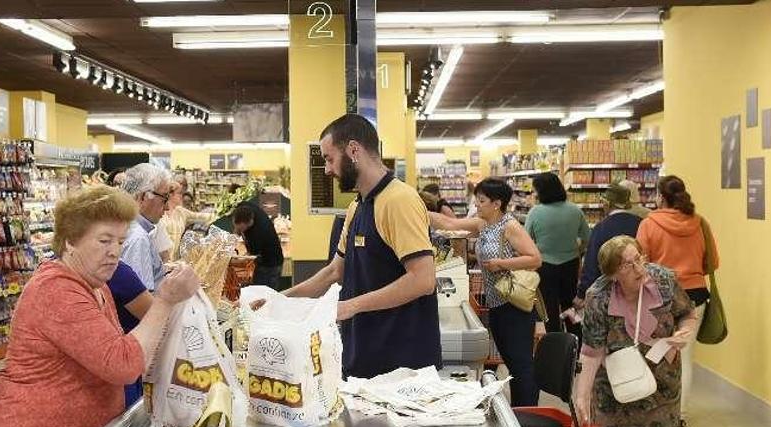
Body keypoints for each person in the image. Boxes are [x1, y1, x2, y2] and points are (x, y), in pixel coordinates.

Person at [0, 185, 199, 427]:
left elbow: (123, 352)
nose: (114, 251)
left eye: (120, 241)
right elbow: (121, 365)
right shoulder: (56, 289)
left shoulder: (95, 285)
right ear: (70, 241)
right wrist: (164, 301)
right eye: (104, 240)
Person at [284, 114, 441, 379]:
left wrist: (349, 306)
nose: (327, 169)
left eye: (329, 158)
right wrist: (282, 299)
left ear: (354, 150)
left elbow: (423, 279)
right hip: (365, 359)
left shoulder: (399, 200)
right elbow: (335, 271)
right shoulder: (357, 207)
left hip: (401, 367)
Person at [574, 235, 699, 427]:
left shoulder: (664, 280)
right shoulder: (598, 296)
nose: (639, 268)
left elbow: (687, 313)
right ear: (612, 273)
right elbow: (592, 351)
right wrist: (582, 395)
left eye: (639, 259)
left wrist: (684, 333)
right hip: (615, 377)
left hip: (662, 373)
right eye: (628, 265)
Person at [429, 178, 543, 406]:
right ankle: (519, 411)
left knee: (520, 363)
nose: (477, 204)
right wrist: (417, 209)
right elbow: (451, 225)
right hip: (496, 303)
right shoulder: (483, 224)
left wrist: (501, 264)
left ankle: (527, 414)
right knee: (510, 360)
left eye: (481, 200)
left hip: (514, 305)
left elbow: (535, 258)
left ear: (497, 204)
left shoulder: (509, 226)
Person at [636, 175, 719, 427]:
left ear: (661, 197)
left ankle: (655, 409)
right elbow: (713, 263)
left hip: (659, 295)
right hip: (694, 295)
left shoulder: (649, 224)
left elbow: (639, 263)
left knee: (656, 351)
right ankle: (680, 416)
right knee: (685, 354)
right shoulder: (700, 223)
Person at [525, 172, 590, 333]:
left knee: (549, 306)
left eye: (535, 190)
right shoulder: (575, 210)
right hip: (570, 263)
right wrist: (577, 251)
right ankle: (575, 340)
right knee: (570, 303)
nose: (534, 194)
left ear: (542, 191)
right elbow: (587, 237)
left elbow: (526, 241)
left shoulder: (535, 212)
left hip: (544, 265)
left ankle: (555, 342)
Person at [575, 183, 643, 306]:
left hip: (609, 293)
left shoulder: (600, 228)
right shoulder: (641, 223)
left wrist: (581, 293)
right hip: (638, 288)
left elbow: (591, 265)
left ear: (607, 204)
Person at [107, 260, 154, 408]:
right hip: (125, 378)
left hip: (105, 378)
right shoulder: (117, 272)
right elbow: (154, 316)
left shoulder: (54, 273)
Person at [119, 163, 173, 290]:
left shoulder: (126, 226)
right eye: (164, 198)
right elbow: (143, 301)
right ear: (143, 197)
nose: (167, 207)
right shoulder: (138, 238)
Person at [232, 202, 284, 290]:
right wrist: (235, 235)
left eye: (241, 229)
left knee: (263, 294)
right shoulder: (244, 207)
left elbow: (250, 256)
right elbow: (237, 228)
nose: (239, 230)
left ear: (250, 223)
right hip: (262, 260)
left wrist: (235, 260)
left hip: (270, 266)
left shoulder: (259, 233)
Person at [160, 179, 215, 261]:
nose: (182, 196)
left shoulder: (181, 212)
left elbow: (200, 216)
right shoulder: (159, 211)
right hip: (160, 259)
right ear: (170, 194)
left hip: (174, 260)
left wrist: (222, 213)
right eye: (179, 193)